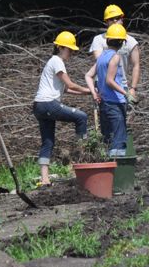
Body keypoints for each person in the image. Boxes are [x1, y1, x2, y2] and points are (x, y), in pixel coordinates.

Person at [33, 31, 92, 186]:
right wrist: (91, 89)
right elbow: (71, 84)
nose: (71, 53)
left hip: (39, 105)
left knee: (48, 141)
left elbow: (65, 89)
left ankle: (44, 179)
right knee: (81, 117)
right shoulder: (57, 61)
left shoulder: (52, 62)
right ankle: (82, 157)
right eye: (69, 49)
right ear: (59, 47)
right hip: (48, 103)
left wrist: (88, 92)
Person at [85, 24, 130, 157]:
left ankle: (107, 171)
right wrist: (126, 93)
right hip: (116, 102)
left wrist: (94, 93)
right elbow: (109, 81)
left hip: (104, 103)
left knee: (108, 138)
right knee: (119, 139)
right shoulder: (115, 57)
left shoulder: (101, 58)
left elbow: (88, 75)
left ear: (107, 40)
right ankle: (119, 172)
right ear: (122, 42)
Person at [89, 5, 140, 101]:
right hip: (102, 86)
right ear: (106, 22)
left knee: (122, 115)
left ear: (122, 20)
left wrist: (133, 88)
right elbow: (100, 61)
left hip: (122, 86)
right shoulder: (98, 40)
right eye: (112, 19)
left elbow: (136, 65)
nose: (115, 21)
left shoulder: (131, 41)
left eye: (117, 18)